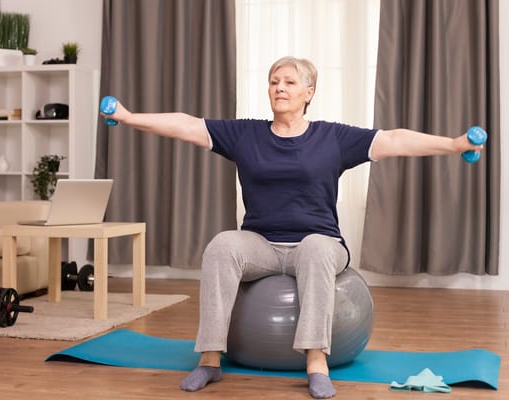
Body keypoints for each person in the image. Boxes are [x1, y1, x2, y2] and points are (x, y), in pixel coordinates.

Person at [100, 56, 484, 399]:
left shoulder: (332, 137)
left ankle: (316, 362)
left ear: (308, 92)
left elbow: (395, 139)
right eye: (273, 82)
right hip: (261, 245)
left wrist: (453, 144)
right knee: (222, 245)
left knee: (316, 247)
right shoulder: (246, 135)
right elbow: (186, 125)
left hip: (320, 243)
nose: (279, 88)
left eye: (288, 82)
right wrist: (129, 117)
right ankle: (210, 359)